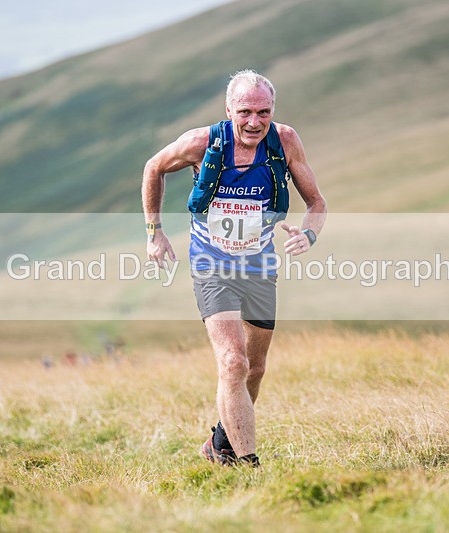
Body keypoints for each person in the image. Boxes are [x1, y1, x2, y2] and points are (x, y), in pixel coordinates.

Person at [142, 69, 327, 466]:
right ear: (229, 110)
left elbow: (317, 203)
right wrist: (154, 232)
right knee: (233, 361)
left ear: (273, 110)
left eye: (263, 112)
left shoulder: (285, 141)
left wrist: (308, 235)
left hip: (259, 266)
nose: (254, 122)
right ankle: (246, 464)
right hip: (211, 263)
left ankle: (221, 443)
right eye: (245, 112)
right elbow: (153, 167)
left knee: (255, 368)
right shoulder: (201, 142)